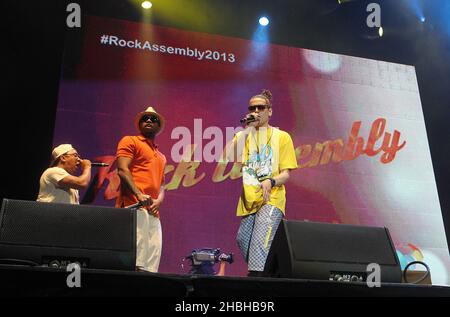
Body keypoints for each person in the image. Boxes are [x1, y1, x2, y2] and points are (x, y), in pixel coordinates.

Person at [232, 89, 298, 277]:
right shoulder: (244, 136)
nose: (256, 111)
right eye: (252, 108)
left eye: (261, 107)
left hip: (272, 198)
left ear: (270, 111)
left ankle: (258, 282)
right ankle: (274, 274)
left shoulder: (281, 137)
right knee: (243, 240)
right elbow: (228, 156)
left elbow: (286, 174)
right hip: (249, 199)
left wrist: (271, 180)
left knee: (261, 242)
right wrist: (247, 129)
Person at [116, 106, 167, 273]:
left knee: (151, 264)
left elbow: (161, 184)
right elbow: (123, 170)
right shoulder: (130, 141)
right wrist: (138, 194)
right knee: (135, 261)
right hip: (134, 207)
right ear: (139, 124)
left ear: (159, 126)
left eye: (153, 119)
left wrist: (159, 200)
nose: (149, 121)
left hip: (152, 211)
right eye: (145, 118)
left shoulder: (161, 156)